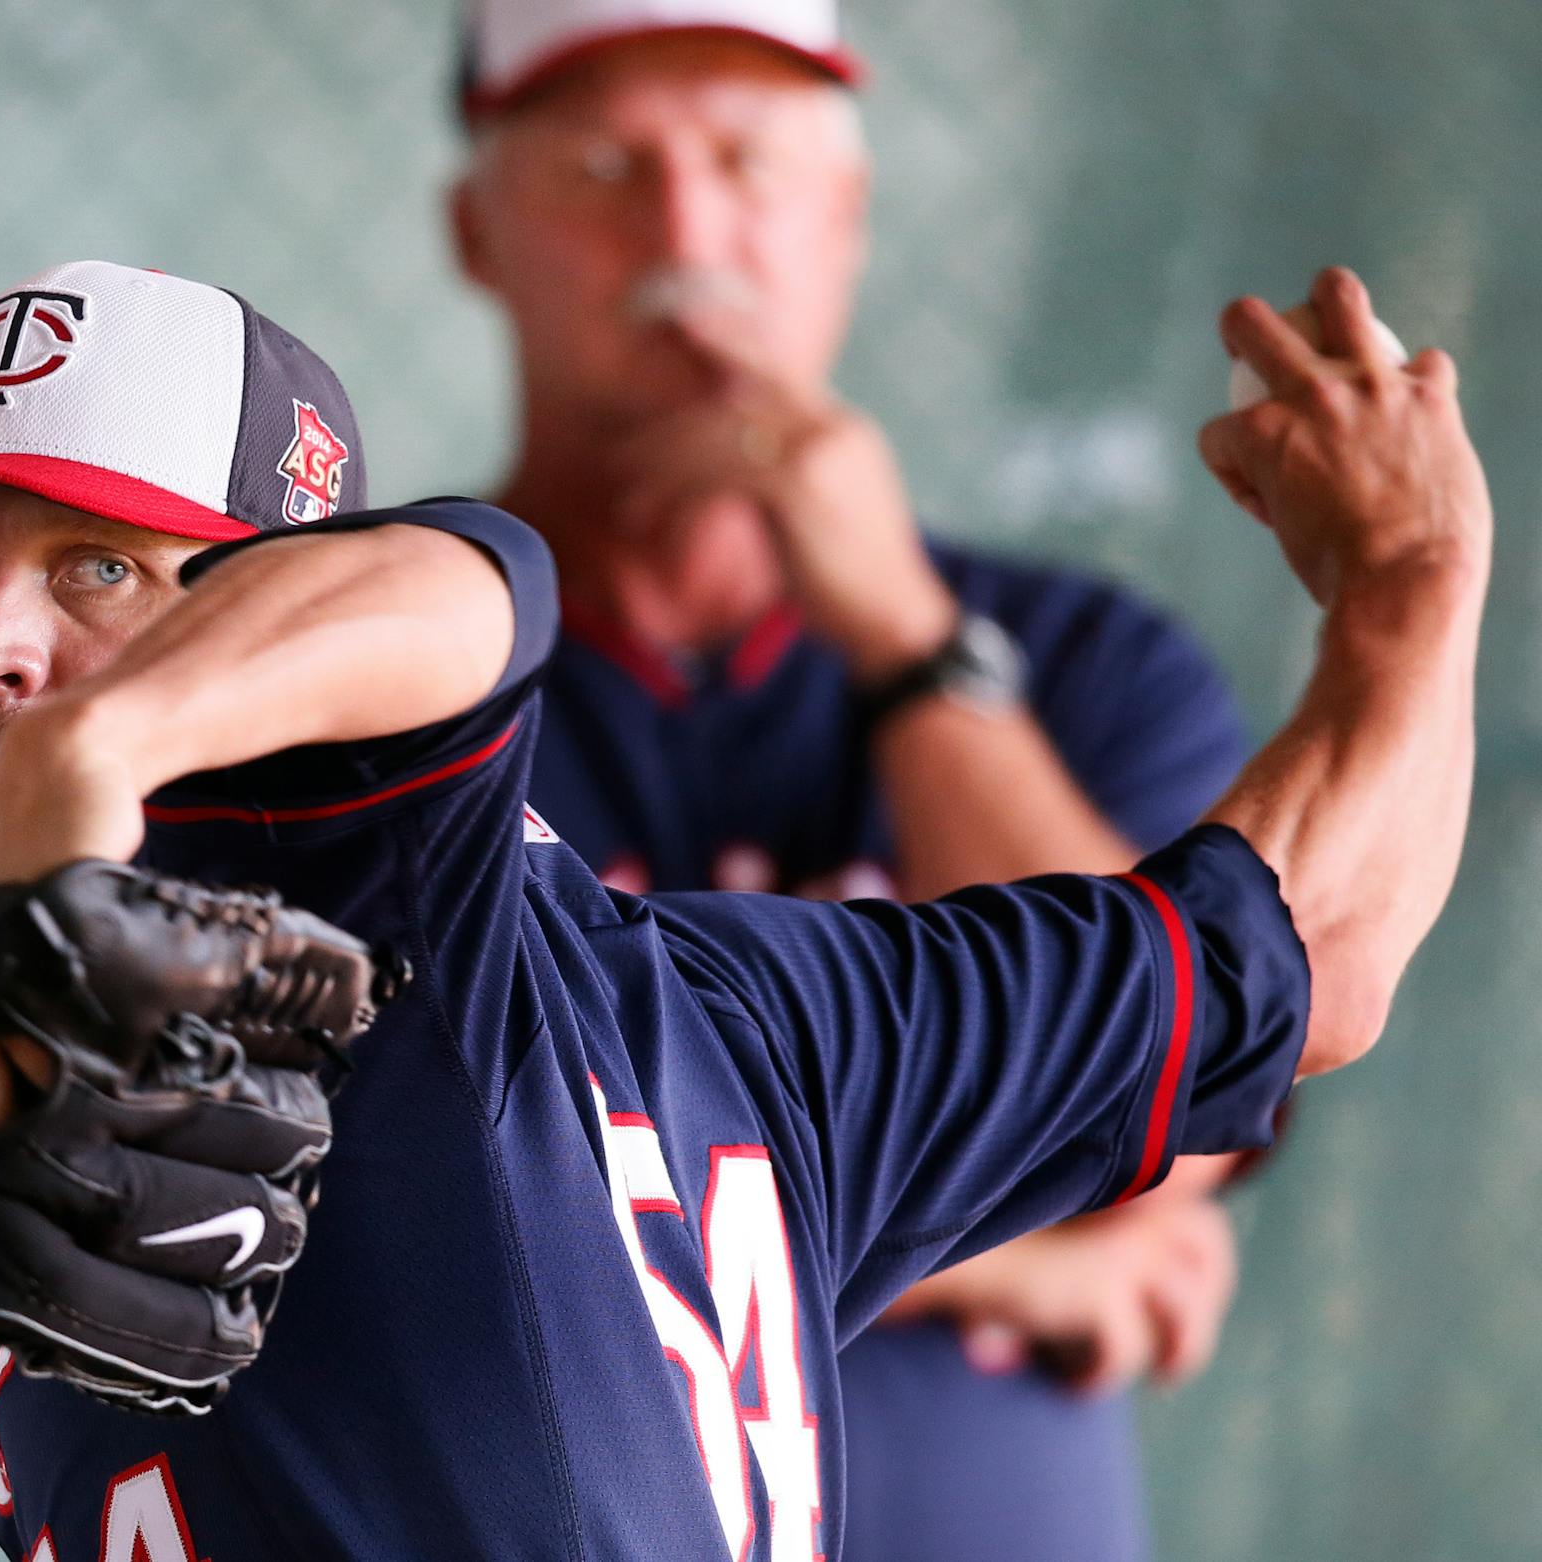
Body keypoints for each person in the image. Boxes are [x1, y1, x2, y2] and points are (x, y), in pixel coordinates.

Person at [0, 255, 1487, 1561]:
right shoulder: (769, 1026)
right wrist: (1412, 586)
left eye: (97, 566)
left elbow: (469, 587)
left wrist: (83, 760)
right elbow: (1319, 947)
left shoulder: (372, 937)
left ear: (292, 590)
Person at [447, 4, 1259, 1552]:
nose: (687, 233)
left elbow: (1156, 1116)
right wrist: (1009, 1255)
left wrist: (904, 640)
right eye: (605, 166)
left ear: (851, 214)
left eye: (748, 160)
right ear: (473, 231)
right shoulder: (388, 686)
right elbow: (372, 1216)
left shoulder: (1089, 661)